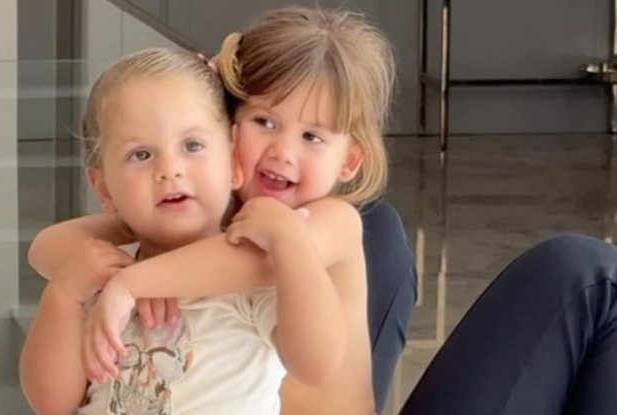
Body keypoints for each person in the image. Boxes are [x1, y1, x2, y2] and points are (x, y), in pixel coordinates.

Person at [26, 6, 398, 415]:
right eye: (264, 122)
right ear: (232, 136)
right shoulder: (192, 214)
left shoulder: (319, 225)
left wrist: (133, 282)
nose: (283, 152)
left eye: (312, 136)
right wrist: (76, 283)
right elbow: (49, 246)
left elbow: (255, 263)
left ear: (350, 159)